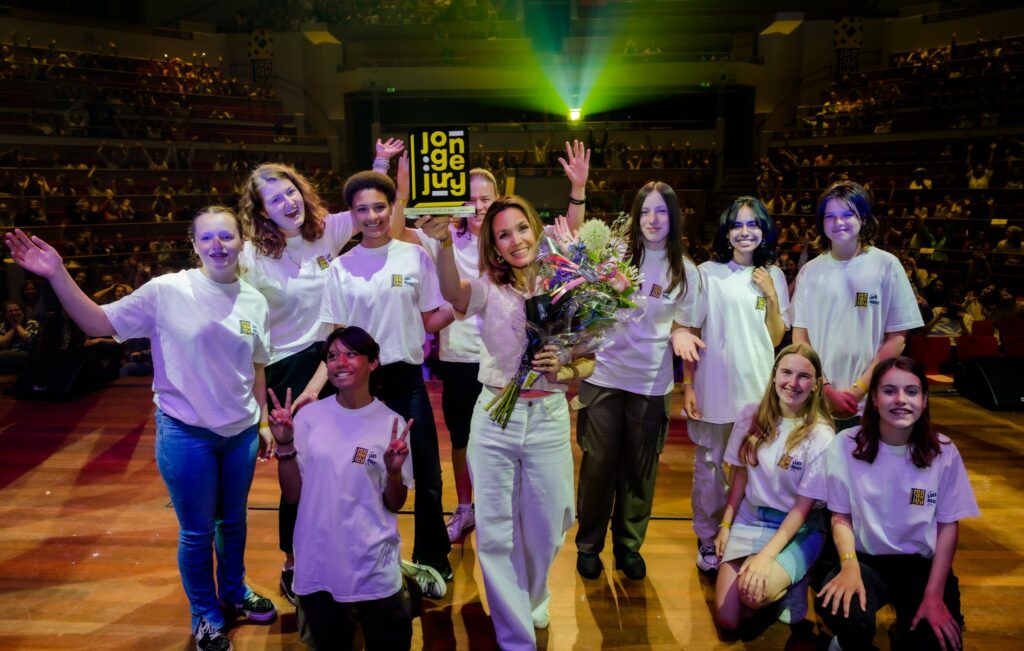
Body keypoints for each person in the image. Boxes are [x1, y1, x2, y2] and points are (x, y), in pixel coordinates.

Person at [4, 207, 276, 651]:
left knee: (235, 522)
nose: (218, 246)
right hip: (187, 432)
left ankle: (233, 592)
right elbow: (96, 322)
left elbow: (257, 366)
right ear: (194, 245)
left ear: (242, 241)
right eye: (207, 238)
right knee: (197, 531)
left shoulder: (254, 300)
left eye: (226, 236)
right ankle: (206, 615)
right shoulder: (168, 290)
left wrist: (262, 420)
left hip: (241, 432)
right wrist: (57, 275)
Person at [389, 140, 591, 544]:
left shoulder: (517, 242)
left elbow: (572, 235)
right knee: (463, 440)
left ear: (499, 200)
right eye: (471, 199)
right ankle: (466, 507)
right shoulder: (446, 236)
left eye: (486, 199)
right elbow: (398, 237)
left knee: (523, 482)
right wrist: (404, 192)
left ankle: (512, 516)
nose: (478, 206)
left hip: (516, 368)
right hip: (461, 356)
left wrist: (578, 191)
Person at [421, 195, 595, 650]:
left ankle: (530, 594)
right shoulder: (488, 288)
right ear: (494, 247)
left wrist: (566, 371)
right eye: (503, 235)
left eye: (521, 228)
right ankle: (515, 635)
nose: (515, 240)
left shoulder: (569, 285)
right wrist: (440, 246)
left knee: (553, 519)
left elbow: (589, 360)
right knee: (496, 529)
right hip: (495, 417)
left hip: (549, 417)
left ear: (536, 229)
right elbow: (454, 293)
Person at [236, 139, 403, 604]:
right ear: (262, 211)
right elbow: (246, 334)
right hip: (289, 366)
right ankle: (294, 561)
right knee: (301, 470)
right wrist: (260, 412)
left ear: (300, 191)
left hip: (334, 358)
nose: (287, 202)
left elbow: (372, 204)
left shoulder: (324, 229)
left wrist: (381, 161)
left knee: (345, 462)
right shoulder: (251, 255)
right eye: (275, 199)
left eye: (290, 191)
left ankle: (354, 547)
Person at [317, 171, 455, 583]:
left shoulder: (414, 257)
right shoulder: (340, 268)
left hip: (407, 380)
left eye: (380, 207)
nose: (372, 216)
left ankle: (433, 556)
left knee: (427, 474)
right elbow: (335, 338)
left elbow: (432, 319)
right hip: (359, 390)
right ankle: (366, 556)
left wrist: (470, 303)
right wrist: (315, 390)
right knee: (362, 475)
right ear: (353, 215)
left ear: (392, 208)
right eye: (362, 209)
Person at [574, 181, 703, 581]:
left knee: (639, 470)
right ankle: (589, 544)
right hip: (605, 377)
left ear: (673, 217)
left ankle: (628, 546)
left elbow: (685, 324)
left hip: (652, 384)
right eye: (645, 211)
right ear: (635, 216)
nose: (652, 219)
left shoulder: (687, 271)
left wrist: (680, 335)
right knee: (598, 467)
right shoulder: (613, 258)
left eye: (661, 211)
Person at [808, 357, 979, 651]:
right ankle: (846, 641)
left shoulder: (944, 452)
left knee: (940, 642)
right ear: (874, 399)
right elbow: (839, 516)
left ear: (925, 400)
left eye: (911, 392)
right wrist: (848, 566)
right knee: (844, 611)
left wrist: (935, 595)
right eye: (889, 391)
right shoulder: (846, 445)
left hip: (920, 564)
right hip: (865, 560)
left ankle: (907, 629)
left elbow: (948, 526)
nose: (901, 400)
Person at [266, 326, 420, 650]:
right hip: (319, 561)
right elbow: (293, 495)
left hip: (372, 565)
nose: (340, 363)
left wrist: (393, 473)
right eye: (332, 356)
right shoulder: (309, 419)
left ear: (373, 362)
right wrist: (284, 444)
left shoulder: (390, 423)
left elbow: (395, 503)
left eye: (351, 354)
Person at [684, 197, 790, 573]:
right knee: (710, 467)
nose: (746, 232)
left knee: (751, 467)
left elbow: (776, 337)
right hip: (714, 387)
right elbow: (692, 332)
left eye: (753, 225)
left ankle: (741, 536)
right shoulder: (706, 273)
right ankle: (707, 538)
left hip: (757, 391)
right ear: (727, 232)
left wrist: (772, 297)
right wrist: (689, 385)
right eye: (738, 225)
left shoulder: (772, 275)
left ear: (764, 231)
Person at [714, 343, 835, 629]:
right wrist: (726, 526)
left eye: (804, 376)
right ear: (773, 376)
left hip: (798, 528)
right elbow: (741, 475)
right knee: (728, 620)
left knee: (753, 594)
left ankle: (792, 579)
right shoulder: (749, 416)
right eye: (786, 373)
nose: (793, 383)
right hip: (751, 517)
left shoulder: (822, 435)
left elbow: (803, 509)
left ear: (817, 385)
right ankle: (782, 585)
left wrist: (765, 556)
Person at [792, 182, 924, 431]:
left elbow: (897, 338)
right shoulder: (809, 272)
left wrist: (859, 389)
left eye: (847, 214)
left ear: (863, 218)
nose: (838, 223)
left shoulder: (887, 265)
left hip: (869, 401)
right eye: (830, 216)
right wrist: (826, 388)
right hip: (818, 399)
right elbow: (801, 338)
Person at [0, 300, 40, 373]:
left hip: (27, 351)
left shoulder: (32, 323)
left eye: (16, 310)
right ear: (5, 314)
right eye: (10, 311)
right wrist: (13, 327)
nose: (14, 313)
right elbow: (3, 344)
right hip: (9, 352)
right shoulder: (2, 326)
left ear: (22, 311)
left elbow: (28, 339)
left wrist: (18, 325)